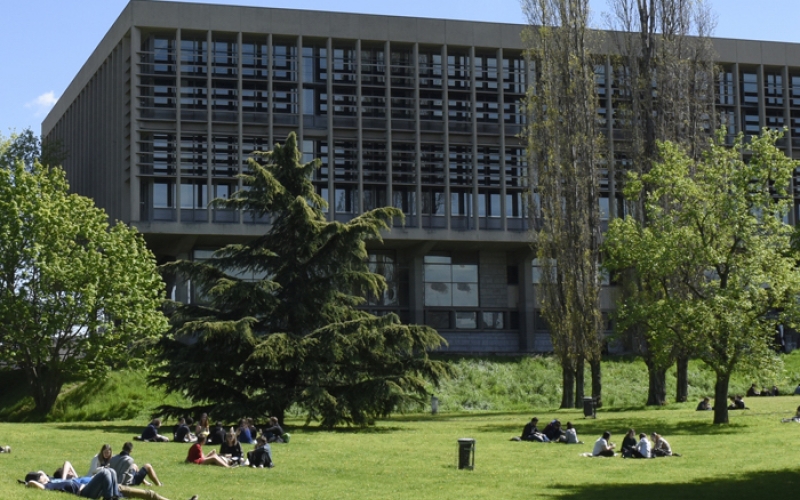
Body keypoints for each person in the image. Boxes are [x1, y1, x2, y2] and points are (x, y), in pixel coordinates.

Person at [26, 467, 198, 500]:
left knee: (149, 494)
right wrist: (30, 482)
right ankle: (112, 497)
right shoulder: (50, 484)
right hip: (86, 491)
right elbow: (35, 484)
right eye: (41, 475)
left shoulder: (56, 478)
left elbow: (67, 464)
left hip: (104, 485)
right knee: (106, 472)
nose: (44, 475)